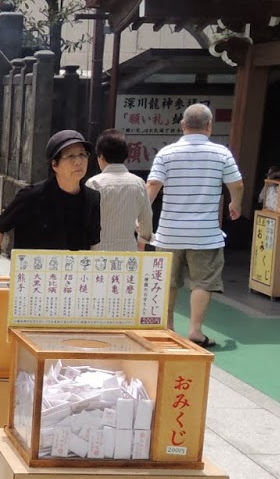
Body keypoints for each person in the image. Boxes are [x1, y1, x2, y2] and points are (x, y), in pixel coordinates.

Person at [146, 104, 243, 347]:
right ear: (209, 126)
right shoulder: (221, 153)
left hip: (169, 233)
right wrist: (235, 204)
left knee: (168, 280)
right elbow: (237, 184)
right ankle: (196, 331)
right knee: (203, 282)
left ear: (183, 125)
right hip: (205, 234)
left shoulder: (166, 153)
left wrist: (143, 216)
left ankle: (167, 326)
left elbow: (152, 186)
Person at [0, 130, 101, 275]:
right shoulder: (32, 196)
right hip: (33, 280)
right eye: (70, 156)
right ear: (55, 164)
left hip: (73, 282)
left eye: (82, 154)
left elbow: (93, 244)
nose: (78, 162)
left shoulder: (92, 198)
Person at [86, 129, 151, 252]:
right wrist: (141, 246)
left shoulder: (94, 183)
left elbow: (85, 223)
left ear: (101, 156)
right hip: (128, 252)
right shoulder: (138, 183)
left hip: (98, 253)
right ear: (125, 155)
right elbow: (146, 222)